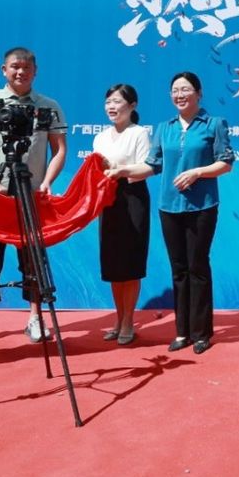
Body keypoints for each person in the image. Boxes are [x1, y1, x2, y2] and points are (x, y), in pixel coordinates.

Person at [108, 72, 234, 355]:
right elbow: (152, 165)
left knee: (197, 267)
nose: (180, 95)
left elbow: (225, 163)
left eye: (185, 89)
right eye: (175, 90)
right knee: (178, 269)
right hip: (169, 207)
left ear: (199, 93)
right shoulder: (164, 128)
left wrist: (197, 172)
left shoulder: (213, 124)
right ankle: (182, 332)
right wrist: (125, 171)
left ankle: (201, 333)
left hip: (202, 206)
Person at [0, 47, 67, 347]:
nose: (21, 72)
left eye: (26, 67)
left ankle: (35, 318)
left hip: (31, 193)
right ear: (4, 70)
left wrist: (47, 181)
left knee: (32, 258)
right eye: (15, 67)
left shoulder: (48, 106)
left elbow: (60, 150)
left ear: (35, 71)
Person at [92, 84, 151, 345]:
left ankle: (128, 320)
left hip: (133, 198)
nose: (111, 107)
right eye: (108, 102)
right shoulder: (100, 137)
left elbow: (145, 168)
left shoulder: (139, 133)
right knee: (114, 264)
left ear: (132, 105)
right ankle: (118, 319)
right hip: (109, 200)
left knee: (131, 263)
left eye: (117, 101)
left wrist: (120, 170)